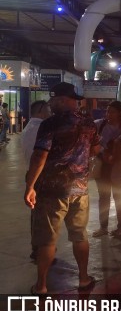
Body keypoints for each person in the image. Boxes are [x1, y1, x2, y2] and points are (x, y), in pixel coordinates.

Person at [24, 82, 100, 294]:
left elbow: (40, 156)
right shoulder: (89, 123)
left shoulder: (50, 124)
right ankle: (84, 279)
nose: (51, 104)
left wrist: (30, 186)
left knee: (47, 240)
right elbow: (95, 149)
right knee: (79, 235)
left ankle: (41, 286)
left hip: (52, 191)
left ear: (62, 100)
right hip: (79, 190)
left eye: (53, 100)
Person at [20, 100, 52, 261]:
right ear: (41, 110)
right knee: (43, 217)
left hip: (32, 175)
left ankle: (37, 249)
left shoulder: (28, 128)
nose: (50, 112)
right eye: (48, 109)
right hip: (39, 177)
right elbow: (40, 157)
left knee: (36, 215)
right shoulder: (40, 128)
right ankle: (41, 252)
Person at [92, 100, 121, 238]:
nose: (108, 114)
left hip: (119, 166)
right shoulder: (99, 124)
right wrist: (103, 153)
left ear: (119, 113)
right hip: (103, 165)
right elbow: (93, 141)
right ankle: (103, 227)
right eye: (107, 111)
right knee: (104, 197)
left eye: (112, 111)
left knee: (119, 196)